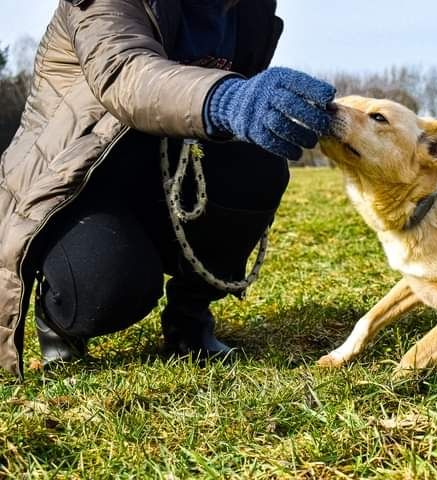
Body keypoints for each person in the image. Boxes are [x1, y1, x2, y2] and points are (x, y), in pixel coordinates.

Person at [0, 0, 336, 378]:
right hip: (81, 177)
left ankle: (189, 318)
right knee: (109, 285)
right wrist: (228, 99)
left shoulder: (248, 8)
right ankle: (60, 318)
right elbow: (126, 73)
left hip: (169, 167)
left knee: (256, 161)